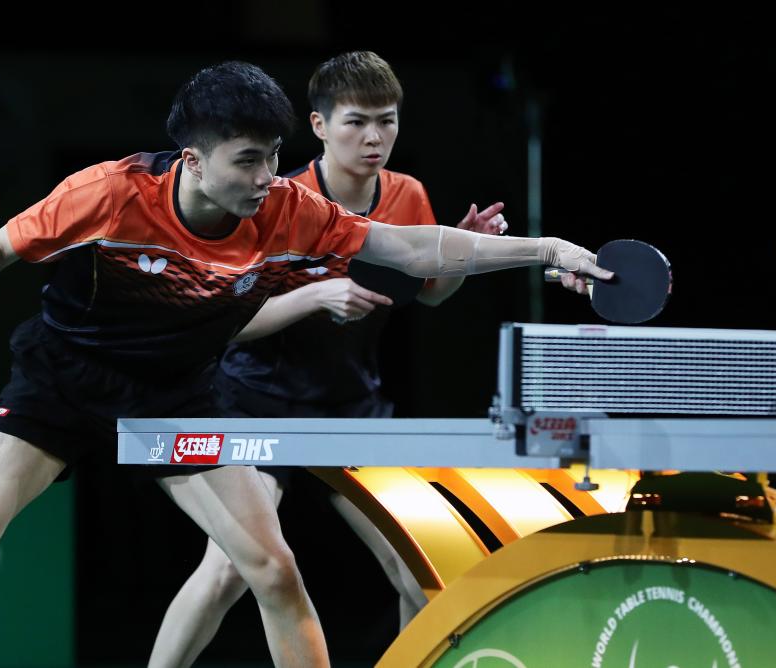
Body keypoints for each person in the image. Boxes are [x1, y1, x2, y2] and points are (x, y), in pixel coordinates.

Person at [0, 60, 608, 668]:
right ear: (193, 158)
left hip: (176, 392)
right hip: (63, 376)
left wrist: (547, 250)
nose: (267, 176)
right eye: (247, 159)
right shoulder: (111, 193)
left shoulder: (289, 211)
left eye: (273, 155)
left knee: (272, 569)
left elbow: (418, 251)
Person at [147, 51, 510, 667]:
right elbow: (227, 326)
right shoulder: (278, 202)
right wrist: (316, 296)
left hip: (350, 406)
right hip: (257, 402)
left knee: (415, 564)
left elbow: (427, 294)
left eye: (387, 121)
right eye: (356, 122)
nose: (374, 138)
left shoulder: (406, 195)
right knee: (228, 571)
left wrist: (461, 258)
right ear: (318, 126)